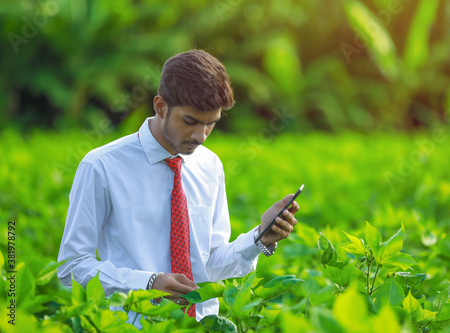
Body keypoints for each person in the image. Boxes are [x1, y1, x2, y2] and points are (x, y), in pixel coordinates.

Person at [57, 49, 300, 325]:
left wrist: (260, 238)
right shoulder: (102, 166)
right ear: (160, 106)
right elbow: (72, 267)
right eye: (190, 121)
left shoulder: (210, 165)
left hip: (203, 326)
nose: (201, 136)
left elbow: (209, 263)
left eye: (211, 124)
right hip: (133, 327)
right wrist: (147, 283)